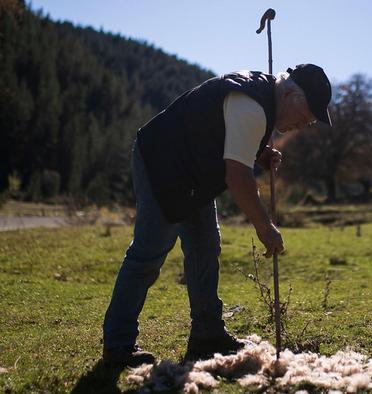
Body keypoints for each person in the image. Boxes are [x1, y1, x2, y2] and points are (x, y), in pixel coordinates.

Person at [102, 64, 332, 367]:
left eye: (310, 122)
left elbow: (227, 136)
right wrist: (265, 227)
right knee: (149, 253)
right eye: (304, 117)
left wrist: (258, 150)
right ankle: (118, 344)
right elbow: (238, 178)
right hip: (163, 162)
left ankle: (207, 334)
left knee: (204, 248)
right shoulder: (253, 105)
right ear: (289, 93)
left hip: (195, 172)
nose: (303, 126)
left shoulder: (263, 101)